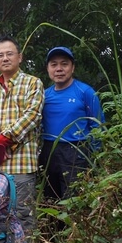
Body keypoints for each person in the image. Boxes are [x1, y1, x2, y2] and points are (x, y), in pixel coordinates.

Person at [0, 36, 44, 233]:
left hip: (21, 164)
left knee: (24, 214)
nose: (5, 58)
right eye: (0, 55)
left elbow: (32, 116)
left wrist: (3, 141)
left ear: (20, 57)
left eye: (9, 54)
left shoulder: (33, 83)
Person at [40, 47, 105, 201]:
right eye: (54, 65)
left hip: (77, 150)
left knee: (75, 199)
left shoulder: (85, 92)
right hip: (49, 151)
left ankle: (76, 225)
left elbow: (98, 126)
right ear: (48, 69)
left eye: (64, 64)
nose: (59, 69)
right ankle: (54, 226)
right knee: (51, 199)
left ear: (72, 67)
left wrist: (96, 158)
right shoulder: (44, 95)